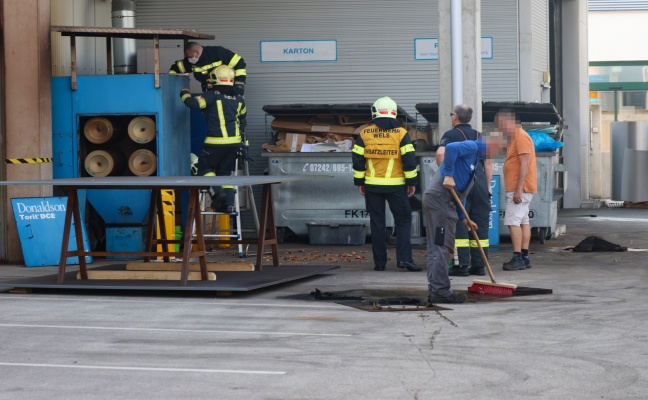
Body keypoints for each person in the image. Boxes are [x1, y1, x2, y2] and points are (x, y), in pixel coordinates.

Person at [424, 133, 506, 304]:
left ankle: (436, 290)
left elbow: (461, 193)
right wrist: (448, 175)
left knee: (438, 247)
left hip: (444, 203)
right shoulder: (473, 146)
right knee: (442, 248)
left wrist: (464, 218)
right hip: (440, 203)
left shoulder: (476, 160)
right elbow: (451, 148)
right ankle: (440, 291)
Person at [352, 96, 421, 272]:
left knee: (377, 223)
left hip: (372, 186)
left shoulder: (365, 133)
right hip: (397, 186)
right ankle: (404, 260)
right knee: (403, 221)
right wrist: (412, 182)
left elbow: (358, 161)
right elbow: (409, 161)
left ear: (375, 112)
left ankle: (380, 263)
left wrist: (360, 182)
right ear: (394, 113)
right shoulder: (401, 133)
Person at [180, 65, 247, 213]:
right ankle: (228, 205)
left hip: (214, 143)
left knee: (204, 168)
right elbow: (243, 120)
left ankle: (218, 193)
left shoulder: (212, 95)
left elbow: (193, 104)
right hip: (234, 144)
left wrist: (184, 92)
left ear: (215, 79)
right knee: (225, 174)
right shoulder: (239, 99)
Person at [436, 104, 493, 277]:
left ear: (455, 117)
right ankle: (480, 265)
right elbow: (488, 164)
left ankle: (461, 265)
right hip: (480, 181)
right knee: (479, 224)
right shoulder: (480, 136)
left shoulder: (451, 135)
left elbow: (440, 154)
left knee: (460, 221)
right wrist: (487, 186)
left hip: (461, 183)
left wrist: (446, 175)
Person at [496, 109, 537, 271]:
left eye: (501, 124)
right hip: (520, 188)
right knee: (523, 221)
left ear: (509, 122)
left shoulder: (521, 137)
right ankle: (524, 257)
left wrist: (519, 189)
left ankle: (517, 257)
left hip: (519, 189)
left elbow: (524, 164)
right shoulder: (516, 137)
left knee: (513, 222)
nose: (500, 128)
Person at [170, 42, 247, 96]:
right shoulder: (190, 61)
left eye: (190, 57)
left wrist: (239, 83)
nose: (189, 59)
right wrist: (169, 81)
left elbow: (239, 63)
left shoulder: (218, 52)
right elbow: (176, 68)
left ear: (197, 52)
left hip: (228, 91)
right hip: (208, 93)